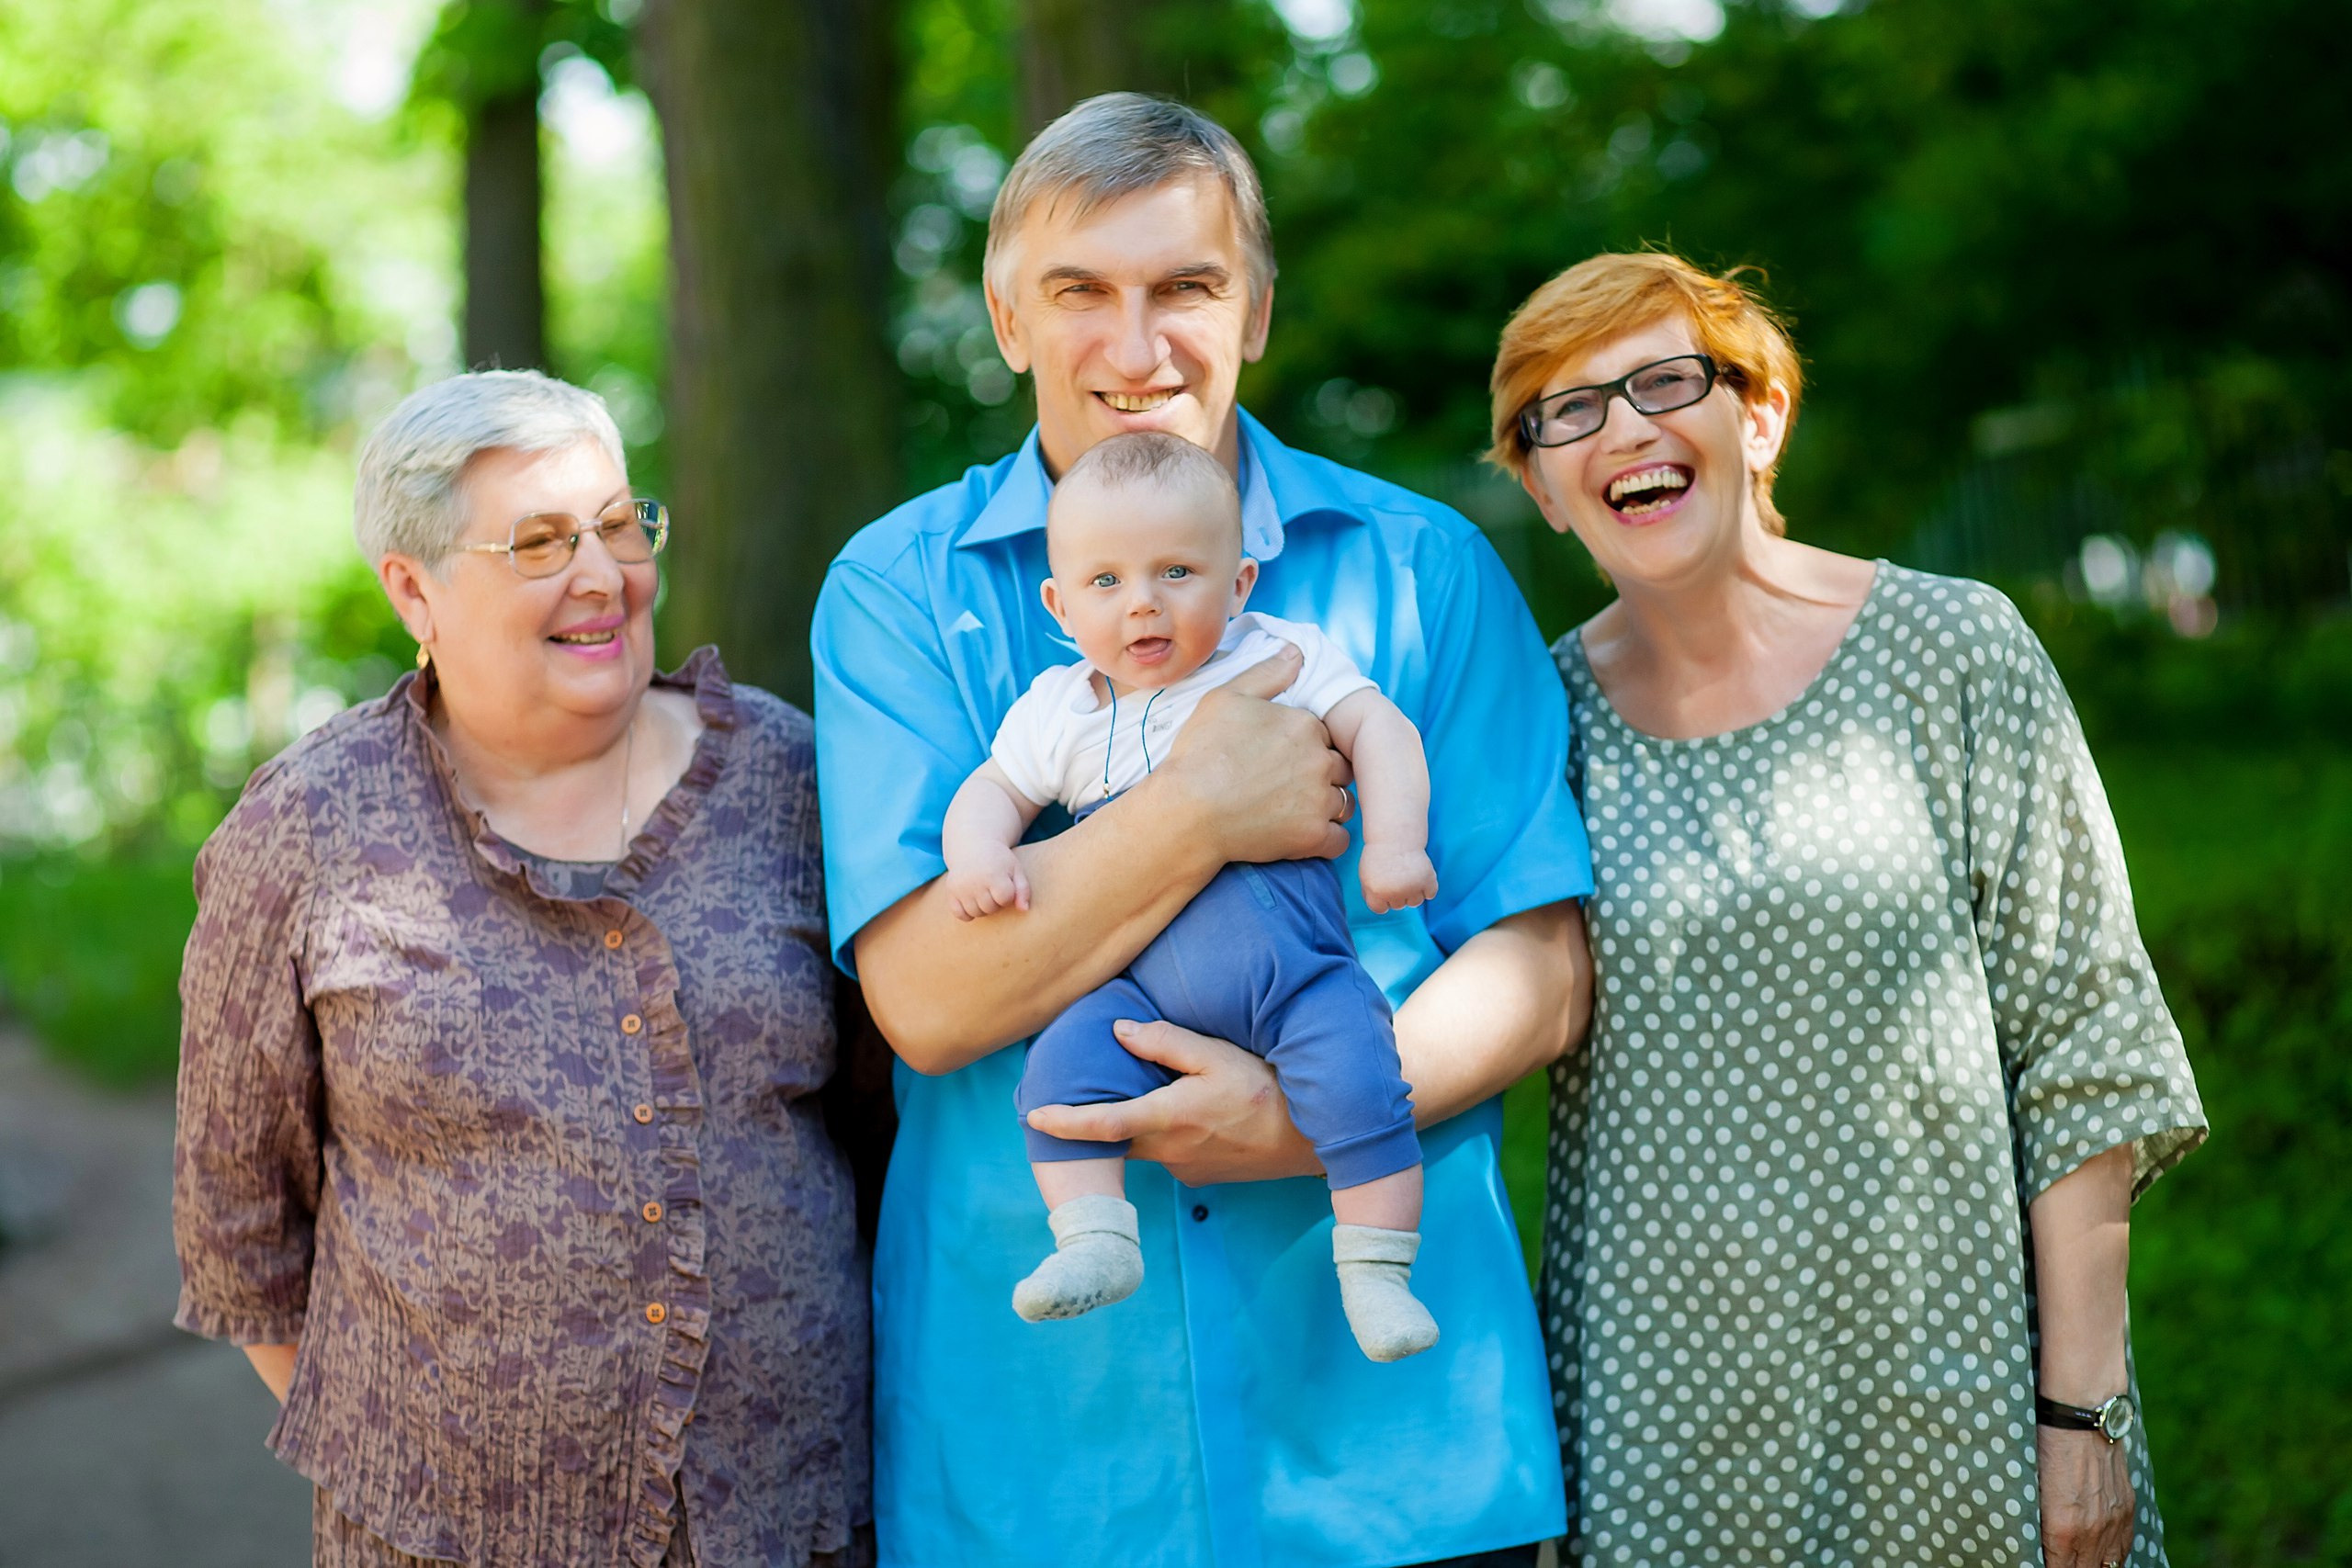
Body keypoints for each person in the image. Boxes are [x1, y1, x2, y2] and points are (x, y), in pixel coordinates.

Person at [813, 94, 1593, 1568]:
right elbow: (927, 995)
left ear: (1258, 307)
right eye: (1080, 291)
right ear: (1005, 317)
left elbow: (1543, 964)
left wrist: (1299, 1114)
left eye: (1187, 286)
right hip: (1046, 1458)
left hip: (1393, 1444)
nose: (1136, 343)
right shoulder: (898, 591)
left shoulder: (1423, 569)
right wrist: (1201, 805)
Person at [1489, 252, 2207, 1567]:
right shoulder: (1533, 725)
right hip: (1663, 1438)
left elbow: (2088, 1051)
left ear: (1757, 416)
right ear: (1539, 482)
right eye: (1568, 410)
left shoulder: (1955, 649)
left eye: (1663, 380)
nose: (1626, 428)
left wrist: (2081, 1407)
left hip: (1960, 1403)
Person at [173, 370, 870, 1568]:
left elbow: (890, 1120)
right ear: (413, 587)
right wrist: (444, 1458)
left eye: (615, 525)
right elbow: (240, 1230)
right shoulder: (307, 829)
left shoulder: (793, 781)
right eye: (539, 541)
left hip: (790, 1519)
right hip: (439, 1534)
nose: (598, 574)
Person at [943, 431, 1440, 1360]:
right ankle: (1093, 1238)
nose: (1142, 603)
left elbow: (1380, 725)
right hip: (1138, 988)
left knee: (1362, 1075)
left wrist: (1396, 844)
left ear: (1240, 583)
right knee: (1061, 1071)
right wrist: (980, 856)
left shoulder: (1281, 654)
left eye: (1176, 571)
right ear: (1057, 602)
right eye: (1105, 583)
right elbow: (991, 792)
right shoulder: (1061, 709)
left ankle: (1376, 1270)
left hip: (1293, 973)